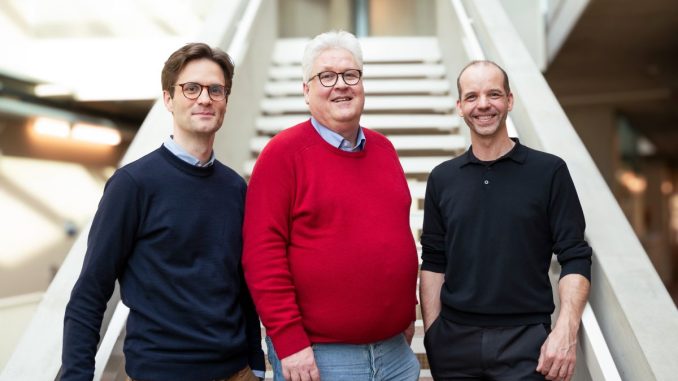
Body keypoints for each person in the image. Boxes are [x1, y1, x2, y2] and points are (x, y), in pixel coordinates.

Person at [61, 42, 265, 381]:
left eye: (216, 90)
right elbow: (90, 293)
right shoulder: (132, 185)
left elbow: (241, 286)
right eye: (191, 88)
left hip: (237, 373)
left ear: (225, 100)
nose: (204, 98)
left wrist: (255, 362)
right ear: (169, 99)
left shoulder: (235, 188)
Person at [242, 30, 420, 381]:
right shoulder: (282, 154)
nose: (341, 84)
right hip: (320, 357)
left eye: (350, 74)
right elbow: (262, 256)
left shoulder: (384, 150)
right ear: (306, 90)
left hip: (394, 352)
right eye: (326, 76)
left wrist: (405, 314)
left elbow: (396, 238)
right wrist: (290, 343)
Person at [420, 60, 592, 381]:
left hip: (527, 343)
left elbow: (575, 257)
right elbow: (433, 261)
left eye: (493, 94)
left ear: (509, 101)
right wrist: (433, 335)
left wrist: (566, 330)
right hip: (454, 343)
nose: (483, 105)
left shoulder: (549, 172)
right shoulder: (442, 179)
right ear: (460, 106)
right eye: (472, 97)